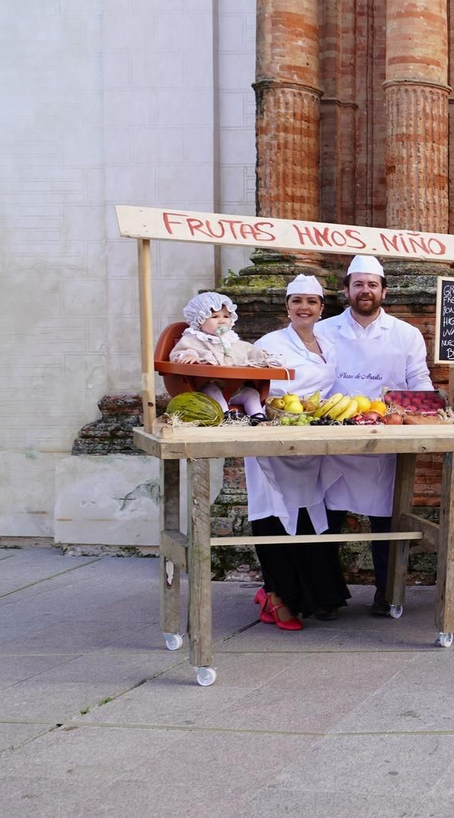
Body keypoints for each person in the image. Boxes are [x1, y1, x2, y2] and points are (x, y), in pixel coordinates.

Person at [314, 255, 431, 616]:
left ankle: (387, 590)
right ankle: (327, 596)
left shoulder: (406, 334)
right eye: (358, 285)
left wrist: (426, 407)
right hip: (333, 439)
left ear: (384, 291)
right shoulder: (323, 331)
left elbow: (419, 383)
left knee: (387, 520)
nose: (365, 291)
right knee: (326, 521)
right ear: (346, 289)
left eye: (372, 285)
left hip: (385, 441)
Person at [246, 275, 351, 629]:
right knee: (273, 514)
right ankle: (277, 597)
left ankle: (309, 596)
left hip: (309, 443)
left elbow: (329, 389)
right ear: (287, 307)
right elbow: (251, 387)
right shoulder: (269, 344)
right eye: (296, 301)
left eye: (311, 301)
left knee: (308, 518)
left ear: (322, 308)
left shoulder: (328, 345)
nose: (303, 307)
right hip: (274, 440)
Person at [170, 291, 281, 419]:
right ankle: (226, 416)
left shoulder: (232, 341)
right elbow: (182, 350)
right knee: (213, 390)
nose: (222, 321)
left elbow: (249, 351)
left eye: (226, 316)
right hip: (205, 391)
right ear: (199, 320)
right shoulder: (194, 339)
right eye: (214, 317)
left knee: (252, 393)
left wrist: (265, 358)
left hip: (234, 389)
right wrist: (189, 355)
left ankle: (258, 417)